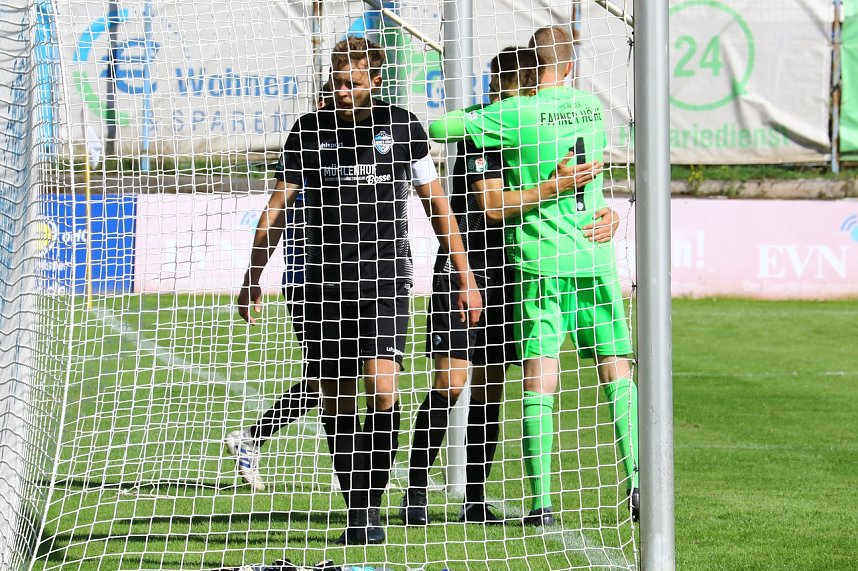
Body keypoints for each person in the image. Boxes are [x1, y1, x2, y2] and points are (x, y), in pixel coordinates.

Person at [238, 36, 481, 546]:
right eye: (337, 80)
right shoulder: (307, 133)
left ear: (375, 80)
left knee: (384, 389)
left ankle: (369, 496)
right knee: (337, 403)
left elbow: (437, 204)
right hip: (320, 286)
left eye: (353, 82)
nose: (342, 90)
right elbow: (276, 209)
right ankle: (359, 511)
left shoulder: (402, 128)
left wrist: (463, 273)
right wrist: (252, 276)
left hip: (384, 281)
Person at [428, 25, 640, 525]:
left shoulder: (510, 114)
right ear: (570, 66)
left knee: (540, 377)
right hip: (594, 253)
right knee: (617, 368)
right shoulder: (591, 108)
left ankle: (540, 503)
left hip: (540, 259)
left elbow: (438, 130)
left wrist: (485, 111)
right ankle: (637, 483)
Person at [225, 77, 334, 492]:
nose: (332, 102)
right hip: (308, 281)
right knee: (330, 376)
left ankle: (251, 437)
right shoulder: (306, 148)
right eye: (328, 94)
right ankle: (360, 484)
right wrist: (252, 277)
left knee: (333, 376)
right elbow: (275, 215)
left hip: (357, 281)